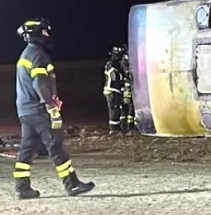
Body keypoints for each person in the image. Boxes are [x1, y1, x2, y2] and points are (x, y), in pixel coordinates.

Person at [12, 18, 95, 199]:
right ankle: (71, 184)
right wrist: (51, 106)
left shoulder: (26, 54)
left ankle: (22, 187)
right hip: (39, 110)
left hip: (25, 111)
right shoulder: (38, 56)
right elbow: (40, 84)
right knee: (55, 145)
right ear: (36, 34)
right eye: (44, 32)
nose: (47, 35)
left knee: (27, 147)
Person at [103, 46, 126, 134]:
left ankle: (118, 127)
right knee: (114, 109)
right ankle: (114, 129)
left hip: (116, 90)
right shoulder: (111, 64)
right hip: (111, 90)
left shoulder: (117, 65)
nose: (120, 58)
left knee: (118, 109)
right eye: (119, 56)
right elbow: (114, 77)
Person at [119, 48, 136, 133]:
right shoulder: (124, 62)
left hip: (129, 89)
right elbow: (127, 75)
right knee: (126, 107)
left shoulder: (124, 62)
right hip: (127, 89)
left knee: (129, 107)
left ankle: (128, 126)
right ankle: (125, 126)